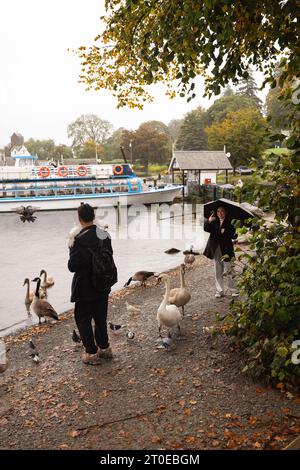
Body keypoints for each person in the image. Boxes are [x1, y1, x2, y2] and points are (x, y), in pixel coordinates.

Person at [68, 203, 114, 365]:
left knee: (83, 319)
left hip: (84, 287)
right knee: (100, 317)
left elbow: (72, 267)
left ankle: (91, 353)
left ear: (80, 219)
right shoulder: (105, 235)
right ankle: (105, 348)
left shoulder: (77, 240)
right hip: (102, 282)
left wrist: (71, 248)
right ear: (93, 216)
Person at [203, 206, 239, 298]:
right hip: (215, 249)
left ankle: (233, 290)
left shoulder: (231, 221)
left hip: (226, 249)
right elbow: (206, 228)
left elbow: (235, 236)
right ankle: (219, 291)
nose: (220, 213)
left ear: (225, 212)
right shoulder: (214, 220)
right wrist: (209, 220)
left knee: (229, 270)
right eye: (218, 211)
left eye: (222, 211)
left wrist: (225, 231)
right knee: (217, 270)